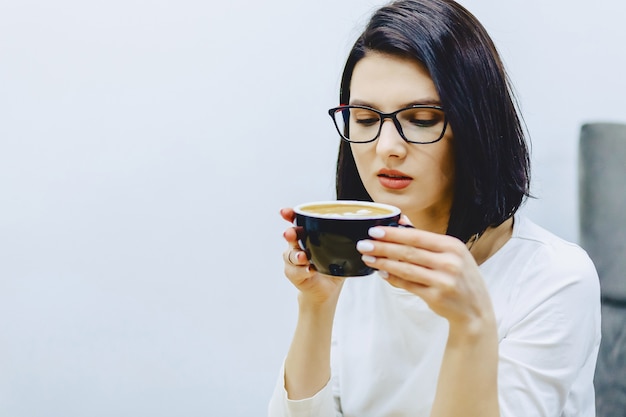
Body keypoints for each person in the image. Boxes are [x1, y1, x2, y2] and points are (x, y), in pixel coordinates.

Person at [268, 0, 601, 416]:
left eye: (422, 118)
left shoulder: (555, 278)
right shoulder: (356, 266)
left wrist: (470, 327)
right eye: (366, 119)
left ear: (477, 126)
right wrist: (316, 307)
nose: (386, 148)